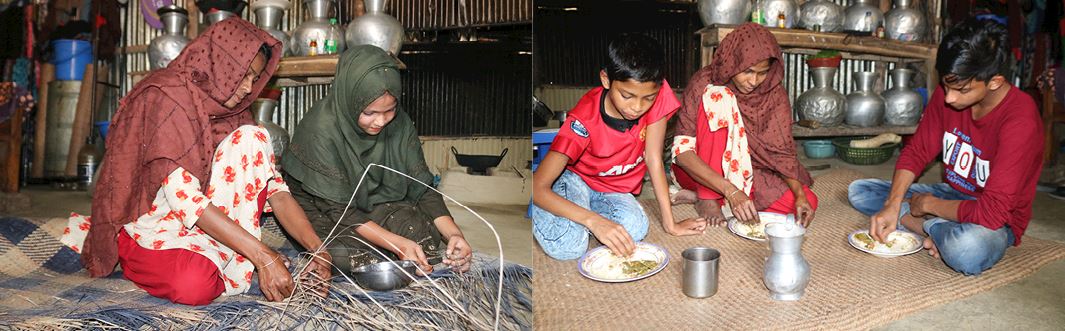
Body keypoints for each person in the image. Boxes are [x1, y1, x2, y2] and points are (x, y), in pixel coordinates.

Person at [64, 19, 332, 305]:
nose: (247, 88)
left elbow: (275, 190)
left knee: (253, 137)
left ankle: (221, 253)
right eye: (244, 75)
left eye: (254, 80)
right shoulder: (168, 96)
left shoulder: (236, 112)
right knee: (195, 284)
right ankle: (130, 251)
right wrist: (262, 255)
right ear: (224, 62)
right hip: (154, 221)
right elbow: (185, 200)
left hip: (208, 222)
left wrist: (318, 249)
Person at [848, 18, 1044, 275]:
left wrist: (928, 205)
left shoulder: (1021, 120)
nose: (949, 97)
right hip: (953, 194)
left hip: (995, 218)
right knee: (860, 191)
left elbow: (992, 212)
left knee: (967, 248)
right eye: (946, 85)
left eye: (961, 89)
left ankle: (926, 225)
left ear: (994, 82)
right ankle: (932, 227)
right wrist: (893, 204)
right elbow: (917, 151)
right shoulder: (950, 89)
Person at [281, 45, 473, 276]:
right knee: (345, 255)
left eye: (389, 110)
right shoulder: (320, 128)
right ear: (350, 100)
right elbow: (337, 209)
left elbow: (421, 188)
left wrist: (454, 235)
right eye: (369, 113)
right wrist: (396, 244)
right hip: (323, 207)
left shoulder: (399, 124)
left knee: (423, 235)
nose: (381, 122)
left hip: (374, 202)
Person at [532, 33, 707, 261]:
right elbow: (537, 187)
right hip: (576, 180)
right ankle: (564, 209)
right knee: (568, 247)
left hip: (612, 187)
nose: (637, 107)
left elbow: (653, 159)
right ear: (606, 80)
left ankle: (580, 210)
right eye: (627, 96)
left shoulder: (655, 93)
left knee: (636, 229)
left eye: (648, 98)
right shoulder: (582, 123)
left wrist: (670, 224)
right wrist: (594, 221)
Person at [671, 23, 818, 228]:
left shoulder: (773, 93)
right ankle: (706, 197)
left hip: (744, 167)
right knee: (718, 95)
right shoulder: (704, 83)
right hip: (696, 170)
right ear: (732, 62)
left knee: (807, 202)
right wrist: (731, 191)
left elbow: (781, 154)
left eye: (762, 72)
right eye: (748, 71)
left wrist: (799, 194)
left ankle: (712, 198)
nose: (754, 81)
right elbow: (682, 153)